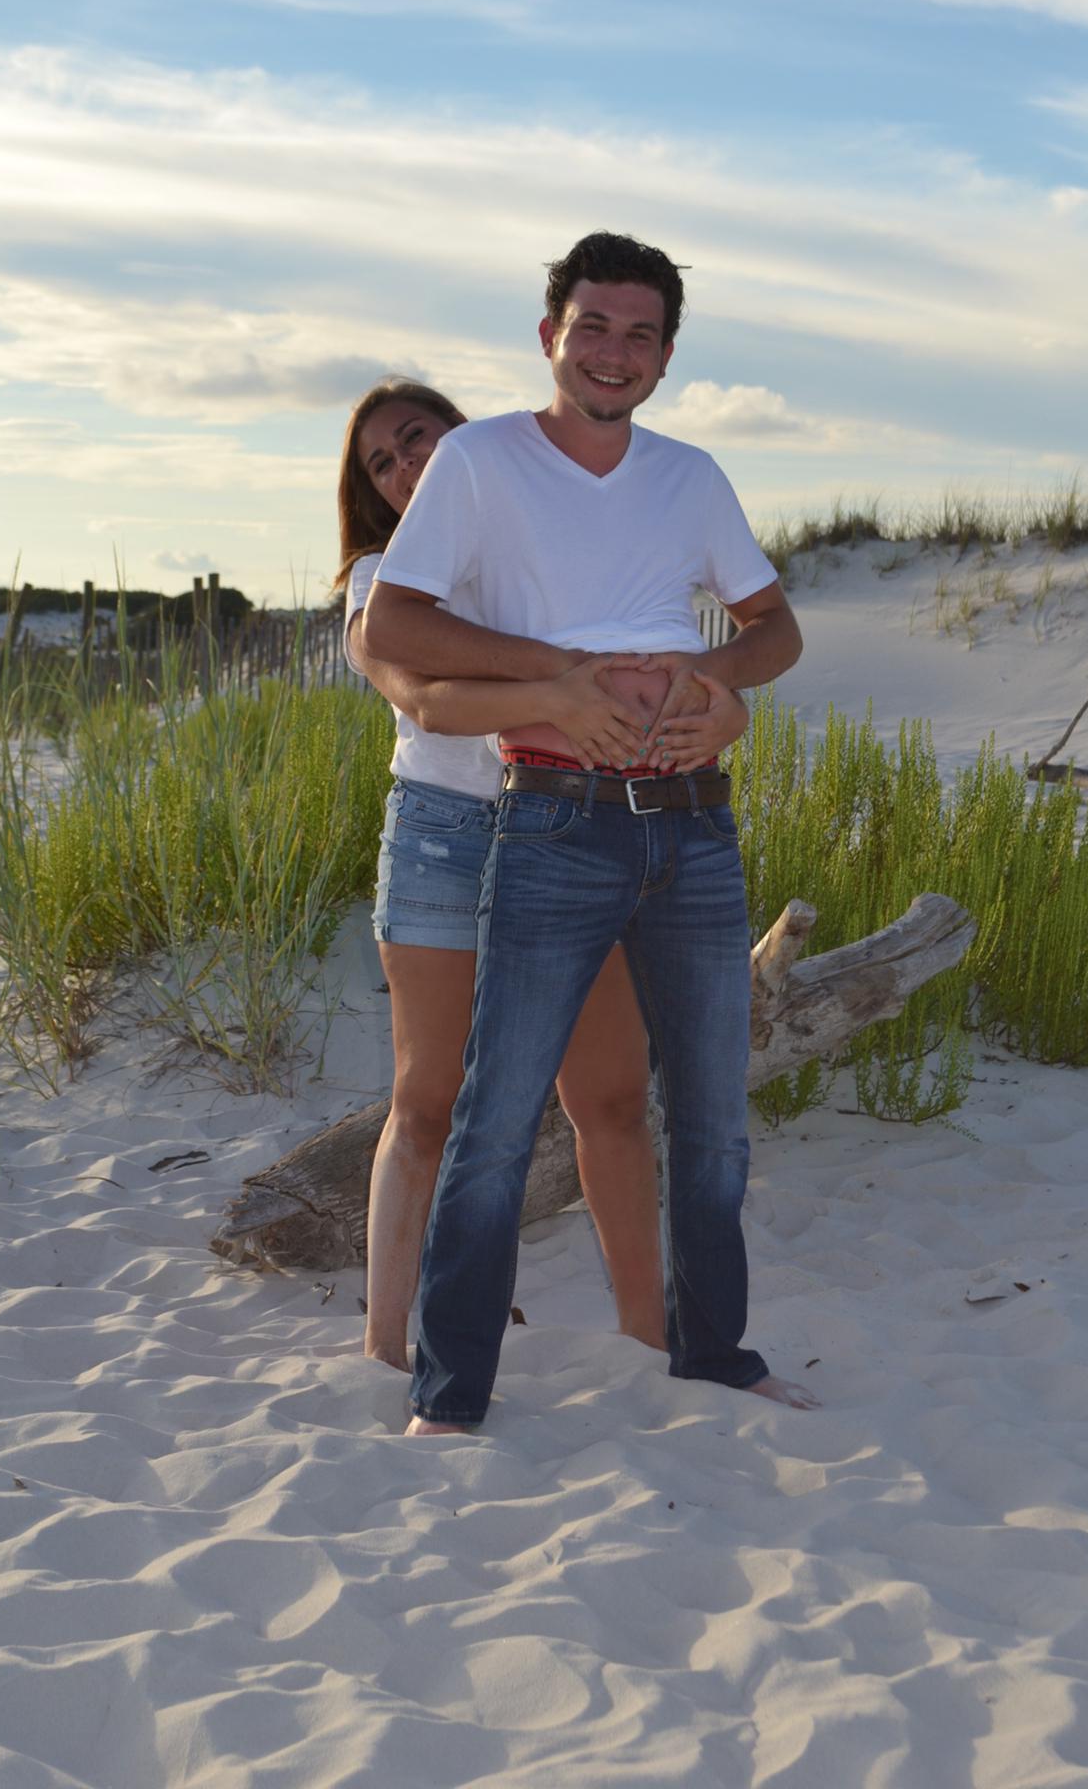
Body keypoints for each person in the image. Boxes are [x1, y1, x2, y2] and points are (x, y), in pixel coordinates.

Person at [362, 231, 822, 1433]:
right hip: (555, 819)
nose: (614, 352)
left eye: (640, 333)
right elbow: (394, 625)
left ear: (665, 355)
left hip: (694, 826)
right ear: (548, 335)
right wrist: (557, 677)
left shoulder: (690, 476)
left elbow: (774, 626)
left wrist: (721, 682)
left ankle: (712, 1353)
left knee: (711, 1119)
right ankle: (449, 1392)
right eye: (592, 326)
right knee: (495, 1115)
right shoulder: (479, 459)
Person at [336, 378, 751, 1372]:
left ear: (466, 439)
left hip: (578, 825)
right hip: (446, 835)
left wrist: (710, 704)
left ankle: (647, 1338)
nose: (404, 468)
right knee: (427, 1100)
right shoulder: (381, 579)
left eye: (416, 439)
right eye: (381, 464)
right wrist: (560, 691)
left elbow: (665, 662)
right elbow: (423, 696)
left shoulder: (552, 548)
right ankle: (387, 1346)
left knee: (608, 1098)